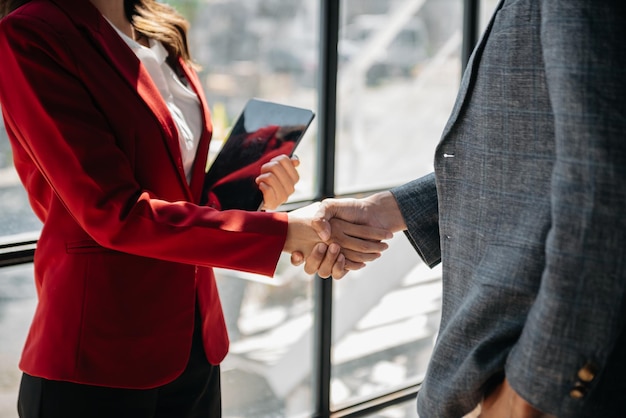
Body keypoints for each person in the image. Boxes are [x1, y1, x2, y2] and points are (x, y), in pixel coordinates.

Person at [0, 0, 391, 417]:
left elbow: (179, 188)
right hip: (99, 353)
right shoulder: (32, 34)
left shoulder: (160, 28)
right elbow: (114, 213)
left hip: (194, 340)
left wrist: (251, 194)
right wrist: (282, 232)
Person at [295, 0, 626, 417]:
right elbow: (530, 166)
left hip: (543, 382)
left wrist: (533, 389)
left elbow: (603, 185)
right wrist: (390, 211)